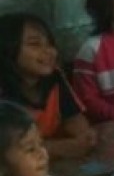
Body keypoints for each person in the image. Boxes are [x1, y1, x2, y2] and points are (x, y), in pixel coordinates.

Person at [0, 13, 96, 159]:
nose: (49, 51)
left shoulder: (55, 77)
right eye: (35, 44)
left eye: (50, 43)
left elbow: (74, 120)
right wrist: (58, 148)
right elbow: (8, 150)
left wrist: (85, 138)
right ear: (7, 49)